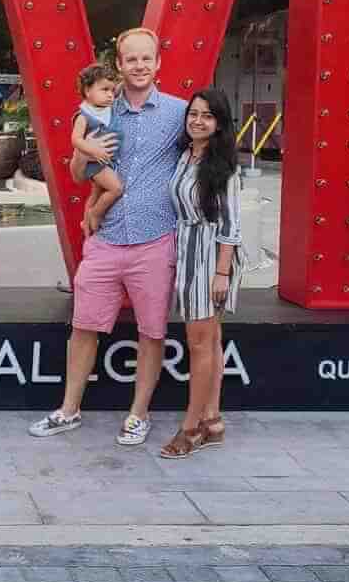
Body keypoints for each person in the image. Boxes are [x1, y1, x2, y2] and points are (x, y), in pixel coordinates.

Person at [29, 28, 187, 446]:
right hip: (106, 239)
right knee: (83, 325)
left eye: (146, 59)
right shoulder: (102, 110)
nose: (138, 66)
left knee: (152, 331)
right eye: (130, 60)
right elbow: (78, 173)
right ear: (119, 65)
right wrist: (85, 156)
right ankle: (69, 410)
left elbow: (205, 161)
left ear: (158, 63)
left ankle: (138, 415)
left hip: (156, 240)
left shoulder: (178, 113)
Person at [160, 88, 244, 459]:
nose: (197, 120)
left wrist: (221, 273)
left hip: (211, 258)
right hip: (187, 251)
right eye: (193, 113)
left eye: (207, 116)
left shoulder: (223, 167)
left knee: (199, 344)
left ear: (219, 123)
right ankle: (213, 421)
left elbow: (232, 225)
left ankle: (190, 428)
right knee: (210, 341)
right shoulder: (184, 155)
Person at [70, 63, 123, 237]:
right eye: (104, 90)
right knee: (115, 189)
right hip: (96, 163)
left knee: (97, 192)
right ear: (87, 91)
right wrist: (93, 151)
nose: (110, 95)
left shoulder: (107, 109)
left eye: (112, 91)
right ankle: (96, 213)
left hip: (106, 161)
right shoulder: (84, 115)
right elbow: (76, 139)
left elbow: (122, 87)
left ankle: (86, 223)